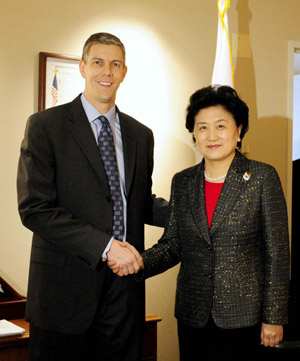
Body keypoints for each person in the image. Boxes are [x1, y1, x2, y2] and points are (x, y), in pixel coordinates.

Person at [110, 85, 290, 360]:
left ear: (239, 130)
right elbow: (173, 245)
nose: (212, 135)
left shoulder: (262, 178)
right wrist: (139, 263)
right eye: (202, 127)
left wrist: (274, 316)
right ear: (194, 133)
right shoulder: (183, 182)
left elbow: (277, 254)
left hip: (245, 318)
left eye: (221, 126)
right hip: (193, 315)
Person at [17, 32, 167, 361]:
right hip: (63, 295)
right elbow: (35, 209)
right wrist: (106, 246)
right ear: (83, 67)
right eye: (98, 62)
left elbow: (137, 201)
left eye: (115, 64)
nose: (107, 72)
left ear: (124, 72)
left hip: (124, 296)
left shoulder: (141, 135)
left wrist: (196, 209)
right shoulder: (46, 126)